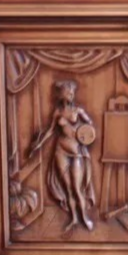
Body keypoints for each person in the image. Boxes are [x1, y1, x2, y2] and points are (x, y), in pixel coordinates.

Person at [29, 80, 97, 232]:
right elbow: (50, 131)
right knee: (68, 189)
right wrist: (39, 144)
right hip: (60, 152)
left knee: (77, 188)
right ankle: (73, 218)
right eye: (68, 92)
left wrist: (81, 132)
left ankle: (84, 218)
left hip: (76, 152)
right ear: (62, 95)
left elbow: (90, 127)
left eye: (72, 93)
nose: (70, 95)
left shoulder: (78, 111)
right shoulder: (57, 112)